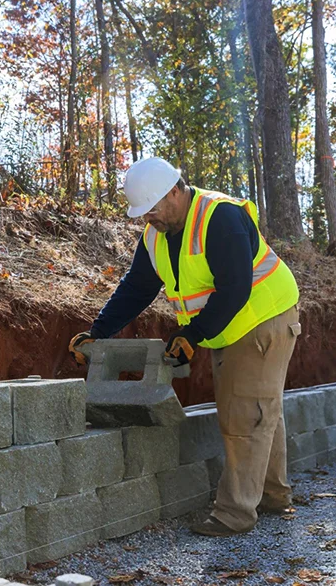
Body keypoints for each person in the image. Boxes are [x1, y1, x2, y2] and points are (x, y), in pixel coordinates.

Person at [69, 157, 302, 537]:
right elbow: (138, 288)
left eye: (154, 208)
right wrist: (99, 332)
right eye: (143, 213)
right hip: (227, 325)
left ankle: (235, 514)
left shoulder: (220, 217)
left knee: (244, 414)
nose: (150, 218)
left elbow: (236, 289)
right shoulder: (155, 236)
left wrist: (192, 335)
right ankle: (274, 496)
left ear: (175, 190)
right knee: (259, 408)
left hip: (263, 315)